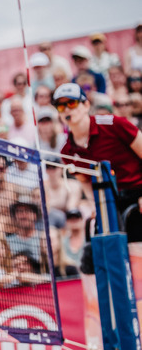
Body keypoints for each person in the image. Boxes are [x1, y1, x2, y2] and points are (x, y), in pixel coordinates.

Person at [55, 82, 142, 236]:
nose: (67, 109)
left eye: (72, 103)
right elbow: (85, 182)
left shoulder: (114, 124)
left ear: (86, 105)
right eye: (61, 106)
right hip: (110, 201)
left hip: (137, 192)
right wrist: (97, 206)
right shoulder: (67, 151)